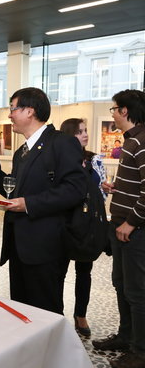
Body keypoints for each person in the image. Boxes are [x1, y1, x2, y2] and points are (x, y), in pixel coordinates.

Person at [0, 87, 86, 314]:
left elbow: (75, 189)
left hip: (45, 247)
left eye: (13, 109)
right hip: (19, 246)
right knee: (22, 308)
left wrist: (29, 204)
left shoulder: (61, 143)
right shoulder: (22, 152)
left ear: (30, 111)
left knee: (46, 311)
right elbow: (13, 192)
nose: (9, 115)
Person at [92, 89, 145, 368]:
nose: (112, 113)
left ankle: (140, 351)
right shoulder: (132, 141)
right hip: (123, 226)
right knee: (122, 285)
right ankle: (126, 337)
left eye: (114, 109)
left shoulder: (142, 140)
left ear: (124, 111)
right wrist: (117, 188)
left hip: (133, 230)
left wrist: (131, 222)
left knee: (137, 291)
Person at [60, 118, 106, 336]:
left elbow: (100, 192)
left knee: (84, 270)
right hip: (64, 221)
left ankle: (81, 315)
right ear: (70, 135)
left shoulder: (94, 159)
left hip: (87, 224)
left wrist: (105, 188)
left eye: (85, 131)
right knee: (58, 270)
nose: (85, 135)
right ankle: (55, 314)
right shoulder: (61, 159)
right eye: (80, 132)